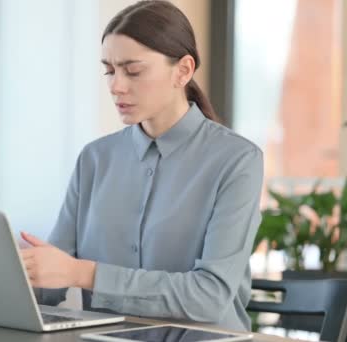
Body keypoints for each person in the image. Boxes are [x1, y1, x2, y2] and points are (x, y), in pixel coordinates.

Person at [19, 0, 263, 332]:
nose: (116, 85)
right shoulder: (95, 159)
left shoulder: (236, 161)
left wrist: (83, 273)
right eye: (109, 70)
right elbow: (50, 286)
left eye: (133, 70)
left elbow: (209, 296)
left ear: (184, 70)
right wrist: (19, 271)